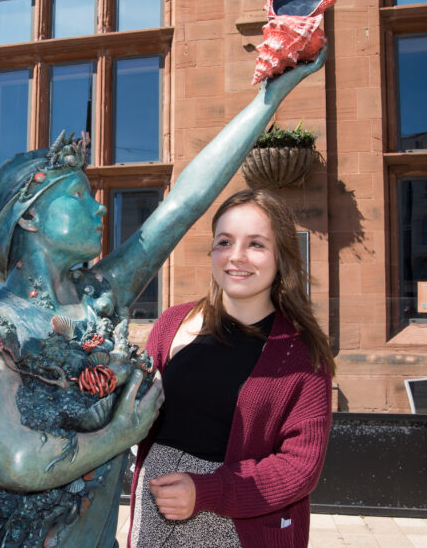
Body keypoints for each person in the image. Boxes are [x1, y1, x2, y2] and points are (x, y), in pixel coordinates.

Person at [0, 47, 328, 546]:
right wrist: (122, 433)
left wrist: (270, 97)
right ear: (30, 217)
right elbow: (17, 461)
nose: (100, 210)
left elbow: (185, 202)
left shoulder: (98, 298)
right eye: (79, 196)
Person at [128, 189, 336, 548]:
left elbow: (300, 467)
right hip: (154, 510)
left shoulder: (303, 354)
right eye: (224, 242)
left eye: (256, 244)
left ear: (281, 256)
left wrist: (208, 490)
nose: (236, 257)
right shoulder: (172, 323)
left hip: (238, 526)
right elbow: (134, 413)